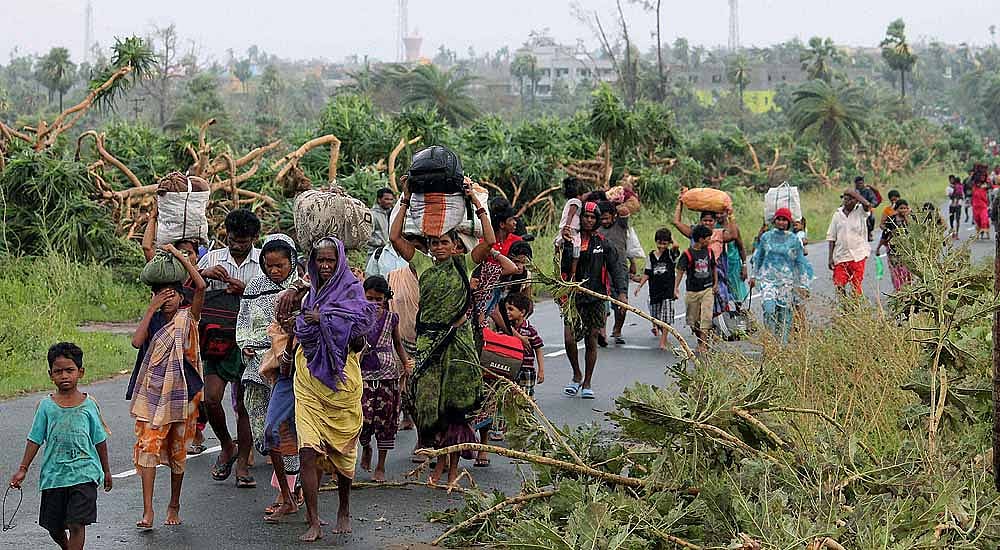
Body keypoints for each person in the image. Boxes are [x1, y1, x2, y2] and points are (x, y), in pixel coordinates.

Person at [389, 172, 495, 487]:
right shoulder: (421, 265)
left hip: (458, 341)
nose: (438, 247)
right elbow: (396, 238)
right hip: (429, 341)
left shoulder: (465, 264)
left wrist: (477, 204)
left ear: (455, 246)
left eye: (444, 242)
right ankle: (437, 461)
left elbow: (489, 241)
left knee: (454, 407)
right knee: (426, 401)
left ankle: (448, 471)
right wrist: (406, 198)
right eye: (434, 242)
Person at [274, 237, 375, 541]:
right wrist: (300, 325)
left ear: (340, 260)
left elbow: (359, 337)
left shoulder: (353, 290)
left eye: (331, 260)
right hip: (308, 380)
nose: (326, 266)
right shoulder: (307, 293)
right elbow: (298, 327)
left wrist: (327, 320)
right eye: (321, 260)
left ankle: (343, 507)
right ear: (313, 262)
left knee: (343, 453)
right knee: (307, 451)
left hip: (342, 382)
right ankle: (314, 520)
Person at [128, 243, 206, 529]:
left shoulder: (188, 318)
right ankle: (148, 511)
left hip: (183, 395)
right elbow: (137, 342)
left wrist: (178, 255)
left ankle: (174, 503)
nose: (168, 301)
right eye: (162, 296)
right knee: (147, 447)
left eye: (172, 295)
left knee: (177, 452)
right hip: (152, 394)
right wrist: (152, 307)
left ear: (180, 295)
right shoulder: (155, 318)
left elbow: (201, 285)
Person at [10, 343, 112, 550]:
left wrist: (106, 471)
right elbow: (35, 439)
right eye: (58, 371)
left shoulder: (89, 405)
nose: (64, 376)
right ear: (51, 375)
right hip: (54, 475)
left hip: (85, 473)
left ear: (80, 372)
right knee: (53, 526)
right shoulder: (46, 406)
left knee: (77, 523)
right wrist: (23, 469)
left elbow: (99, 440)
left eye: (69, 370)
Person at [235, 234, 300, 517]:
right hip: (256, 365)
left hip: (288, 366)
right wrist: (244, 343)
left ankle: (288, 491)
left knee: (288, 430)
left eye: (280, 265)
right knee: (264, 430)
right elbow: (243, 320)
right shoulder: (254, 287)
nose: (274, 271)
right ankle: (286, 489)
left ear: (291, 263)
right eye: (269, 265)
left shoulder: (302, 287)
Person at [198, 209, 261, 486]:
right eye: (233, 239)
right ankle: (227, 445)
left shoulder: (262, 262)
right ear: (226, 234)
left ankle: (243, 466)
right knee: (211, 398)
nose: (237, 245)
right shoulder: (212, 258)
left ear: (254, 238)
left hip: (250, 337)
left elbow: (278, 293)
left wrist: (244, 289)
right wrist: (204, 273)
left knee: (246, 405)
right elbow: (191, 286)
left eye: (243, 241)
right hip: (216, 337)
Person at [561, 202, 628, 399]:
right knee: (569, 338)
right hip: (574, 298)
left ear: (597, 220)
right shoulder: (570, 240)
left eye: (593, 217)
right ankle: (576, 374)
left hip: (596, 297)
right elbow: (562, 268)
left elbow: (616, 269)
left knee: (591, 340)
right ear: (580, 219)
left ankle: (587, 382)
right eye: (586, 217)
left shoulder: (603, 243)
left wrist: (622, 293)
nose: (589, 220)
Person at [359, 275, 412, 483]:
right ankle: (365, 447)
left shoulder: (391, 318)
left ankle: (380, 466)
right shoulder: (356, 317)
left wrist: (406, 364)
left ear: (385, 299)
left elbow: (398, 343)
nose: (374, 303)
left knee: (386, 421)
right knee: (361, 419)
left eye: (378, 299)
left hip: (388, 375)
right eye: (369, 299)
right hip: (362, 374)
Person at [749, 208, 813, 343]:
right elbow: (759, 257)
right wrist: (754, 276)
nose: (781, 222)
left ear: (789, 222)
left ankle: (781, 347)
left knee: (784, 315)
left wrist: (803, 284)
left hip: (786, 282)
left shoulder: (794, 240)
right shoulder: (766, 237)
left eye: (784, 220)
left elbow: (800, 262)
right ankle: (770, 341)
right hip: (768, 280)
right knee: (769, 309)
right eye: (779, 219)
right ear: (774, 220)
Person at [634, 228, 681, 350]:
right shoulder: (651, 256)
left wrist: (672, 240)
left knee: (666, 317)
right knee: (656, 317)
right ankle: (658, 328)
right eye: (660, 243)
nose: (662, 246)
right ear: (656, 242)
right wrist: (640, 286)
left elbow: (676, 245)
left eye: (665, 243)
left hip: (668, 291)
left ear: (668, 243)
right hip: (655, 290)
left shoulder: (671, 255)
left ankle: (663, 341)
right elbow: (647, 272)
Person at [674, 225, 717, 354]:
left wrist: (716, 283)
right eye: (708, 238)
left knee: (706, 316)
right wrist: (675, 288)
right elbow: (680, 271)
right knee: (693, 321)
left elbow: (713, 268)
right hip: (692, 291)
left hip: (707, 290)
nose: (710, 241)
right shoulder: (687, 254)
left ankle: (703, 344)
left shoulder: (709, 252)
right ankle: (701, 340)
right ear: (700, 239)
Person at [598, 201, 634, 345]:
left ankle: (617, 329)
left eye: (607, 218)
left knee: (622, 302)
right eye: (602, 219)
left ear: (614, 216)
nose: (604, 221)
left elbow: (625, 211)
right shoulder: (596, 227)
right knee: (601, 303)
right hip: (601, 270)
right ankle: (602, 333)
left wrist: (616, 200)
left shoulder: (620, 224)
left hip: (619, 269)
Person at [826, 188, 872, 297]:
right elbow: (832, 237)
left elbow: (867, 205)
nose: (848, 202)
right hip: (841, 255)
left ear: (856, 200)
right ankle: (845, 308)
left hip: (858, 255)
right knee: (839, 284)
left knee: (856, 285)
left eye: (852, 199)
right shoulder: (837, 214)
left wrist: (855, 194)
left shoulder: (860, 211)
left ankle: (856, 308)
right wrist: (830, 257)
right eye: (846, 199)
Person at [505, 292, 545, 398]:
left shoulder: (530, 330)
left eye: (511, 309)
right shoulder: (505, 328)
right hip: (510, 368)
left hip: (526, 371)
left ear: (522, 312)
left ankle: (526, 414)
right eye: (506, 309)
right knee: (510, 397)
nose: (507, 312)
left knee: (526, 399)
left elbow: (538, 349)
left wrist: (541, 370)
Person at [877, 200, 913, 291]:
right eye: (901, 208)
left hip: (907, 251)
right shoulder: (891, 220)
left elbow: (914, 233)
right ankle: (899, 291)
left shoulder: (910, 219)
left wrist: (906, 219)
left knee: (907, 271)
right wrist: (878, 248)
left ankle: (909, 290)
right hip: (893, 251)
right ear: (896, 209)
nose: (903, 210)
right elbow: (884, 235)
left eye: (905, 208)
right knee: (896, 272)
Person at [555, 176, 584, 282]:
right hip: (571, 231)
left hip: (565, 229)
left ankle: (559, 269)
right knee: (576, 254)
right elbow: (571, 215)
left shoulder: (569, 201)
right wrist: (567, 227)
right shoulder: (576, 201)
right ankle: (573, 273)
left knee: (559, 248)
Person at [365, 188, 398, 276]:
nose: (389, 202)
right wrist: (381, 242)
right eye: (386, 199)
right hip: (374, 253)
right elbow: (366, 236)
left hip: (388, 253)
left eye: (391, 199)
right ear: (379, 200)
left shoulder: (392, 213)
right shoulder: (372, 215)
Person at [854, 176, 882, 241]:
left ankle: (869, 232)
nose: (859, 185)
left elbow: (873, 199)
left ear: (863, 183)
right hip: (855, 209)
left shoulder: (868, 191)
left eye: (861, 183)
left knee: (872, 218)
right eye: (858, 184)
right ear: (855, 184)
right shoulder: (853, 192)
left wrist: (872, 204)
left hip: (866, 209)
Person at [972, 174, 991, 240]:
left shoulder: (984, 187)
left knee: (984, 220)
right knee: (977, 221)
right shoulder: (974, 188)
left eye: (979, 183)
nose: (978, 184)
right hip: (976, 208)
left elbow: (990, 185)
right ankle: (978, 235)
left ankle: (987, 234)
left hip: (983, 207)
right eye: (977, 183)